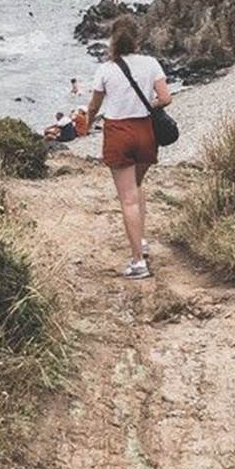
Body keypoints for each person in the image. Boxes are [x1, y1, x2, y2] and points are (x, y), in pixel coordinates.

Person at [86, 17, 171, 279]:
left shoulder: (105, 70)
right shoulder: (150, 64)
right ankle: (141, 240)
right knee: (136, 187)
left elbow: (94, 106)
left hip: (119, 134)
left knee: (128, 199)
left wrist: (88, 124)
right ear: (137, 39)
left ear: (112, 39)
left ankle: (138, 263)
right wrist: (147, 105)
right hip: (146, 133)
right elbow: (166, 98)